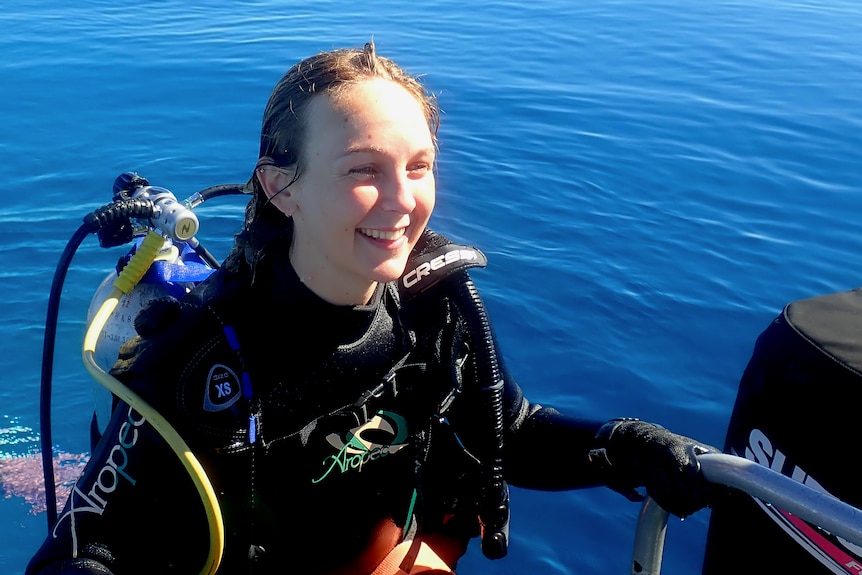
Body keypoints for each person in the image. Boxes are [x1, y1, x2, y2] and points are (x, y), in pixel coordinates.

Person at [27, 41, 721, 575]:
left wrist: (624, 444)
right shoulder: (190, 369)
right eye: (364, 169)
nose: (401, 201)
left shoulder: (438, 304)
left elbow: (509, 428)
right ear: (280, 188)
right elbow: (84, 551)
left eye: (418, 166)